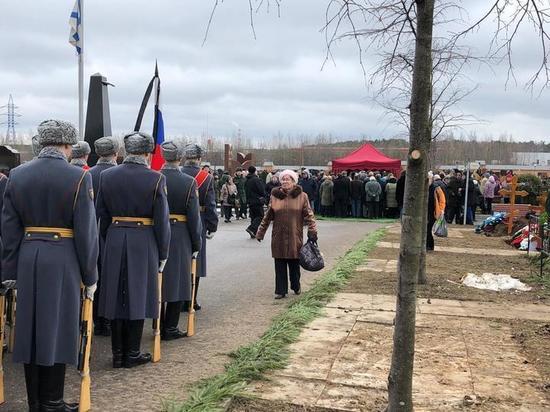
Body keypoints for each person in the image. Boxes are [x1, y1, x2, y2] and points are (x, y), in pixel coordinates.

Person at [1, 119, 99, 411]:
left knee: (31, 330)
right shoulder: (79, 177)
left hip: (28, 256)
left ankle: (36, 401)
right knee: (58, 328)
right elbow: (86, 232)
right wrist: (90, 275)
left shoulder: (17, 175)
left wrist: (9, 272)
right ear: (67, 146)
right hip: (62, 258)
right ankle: (52, 401)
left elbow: (9, 229)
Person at [96, 131, 170, 369]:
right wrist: (163, 251)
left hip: (115, 237)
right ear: (148, 153)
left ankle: (118, 354)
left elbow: (101, 215)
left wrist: (110, 238)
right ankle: (133, 353)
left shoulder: (107, 176)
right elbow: (162, 221)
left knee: (116, 296)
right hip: (143, 239)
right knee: (138, 295)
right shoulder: (156, 179)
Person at [159, 141, 202, 340]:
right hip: (180, 233)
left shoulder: (154, 177)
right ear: (180, 158)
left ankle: (158, 323)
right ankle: (170, 327)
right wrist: (196, 242)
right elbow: (194, 217)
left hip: (156, 232)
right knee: (177, 281)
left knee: (159, 280)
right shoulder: (188, 182)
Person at [256, 169, 317, 299]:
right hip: (278, 235)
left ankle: (296, 286)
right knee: (279, 263)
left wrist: (312, 231)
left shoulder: (302, 196)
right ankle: (280, 290)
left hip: (295, 235)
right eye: (282, 179)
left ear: (294, 181)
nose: (284, 181)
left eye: (287, 179)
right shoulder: (275, 196)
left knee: (294, 263)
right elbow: (267, 216)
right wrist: (260, 232)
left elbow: (309, 215)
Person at [88, 136, 120, 337]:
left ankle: (93, 319)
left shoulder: (86, 174)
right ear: (116, 153)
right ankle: (106, 321)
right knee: (110, 278)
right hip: (112, 232)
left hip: (90, 232)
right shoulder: (118, 175)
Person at [182, 144, 218, 311]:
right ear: (199, 159)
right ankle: (192, 300)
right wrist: (212, 225)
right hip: (199, 220)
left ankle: (178, 299)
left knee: (179, 261)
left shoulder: (175, 173)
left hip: (175, 222)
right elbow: (210, 204)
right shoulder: (205, 177)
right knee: (196, 261)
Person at [244, 165, 266, 238]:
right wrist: (263, 196)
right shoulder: (256, 179)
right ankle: (251, 228)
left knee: (253, 217)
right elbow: (261, 190)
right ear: (255, 171)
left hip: (250, 201)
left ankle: (253, 233)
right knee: (260, 216)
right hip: (257, 200)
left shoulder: (247, 180)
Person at [427, 173, 446, 251]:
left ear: (431, 179)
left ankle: (429, 245)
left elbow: (442, 200)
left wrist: (441, 210)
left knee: (428, 229)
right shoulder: (424, 188)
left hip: (433, 212)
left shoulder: (436, 188)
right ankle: (428, 245)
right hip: (427, 211)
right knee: (426, 229)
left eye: (428, 179)